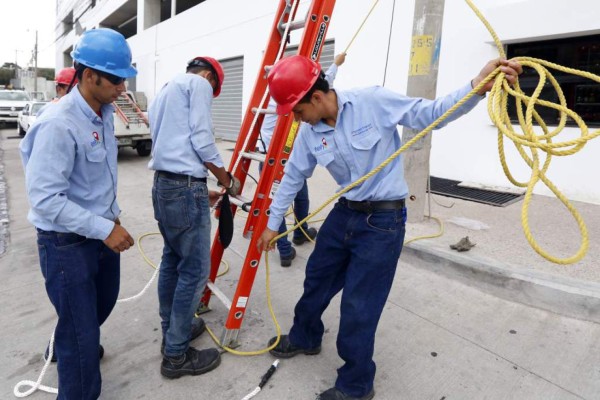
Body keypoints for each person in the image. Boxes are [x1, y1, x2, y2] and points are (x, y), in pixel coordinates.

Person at [257, 55, 522, 400]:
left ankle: (355, 385)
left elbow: (432, 114)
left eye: (296, 110)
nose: (295, 118)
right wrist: (271, 224)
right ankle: (305, 336)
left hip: (382, 222)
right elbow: (292, 177)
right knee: (316, 278)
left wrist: (476, 87)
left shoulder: (372, 101)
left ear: (317, 98)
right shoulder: (310, 133)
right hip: (344, 213)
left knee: (359, 305)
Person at [19, 28, 137, 399]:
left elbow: (98, 176)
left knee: (101, 305)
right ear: (89, 76)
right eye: (116, 79)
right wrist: (104, 229)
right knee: (82, 334)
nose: (122, 87)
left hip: (99, 232)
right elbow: (46, 200)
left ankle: (70, 340)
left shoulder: (100, 111)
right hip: (66, 244)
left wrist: (111, 215)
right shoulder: (58, 123)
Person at [148, 56, 241, 379]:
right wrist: (225, 177)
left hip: (164, 185)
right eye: (213, 86)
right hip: (184, 188)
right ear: (207, 75)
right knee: (195, 270)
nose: (210, 91)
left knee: (173, 259)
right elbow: (202, 139)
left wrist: (200, 188)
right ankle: (176, 354)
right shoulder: (199, 83)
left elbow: (173, 140)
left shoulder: (164, 90)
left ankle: (175, 329)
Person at [257, 52, 346, 267]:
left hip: (289, 155)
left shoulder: (295, 95)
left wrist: (335, 64)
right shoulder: (281, 96)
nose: (297, 116)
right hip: (272, 159)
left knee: (300, 196)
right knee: (282, 198)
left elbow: (318, 88)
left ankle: (300, 232)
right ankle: (285, 249)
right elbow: (313, 90)